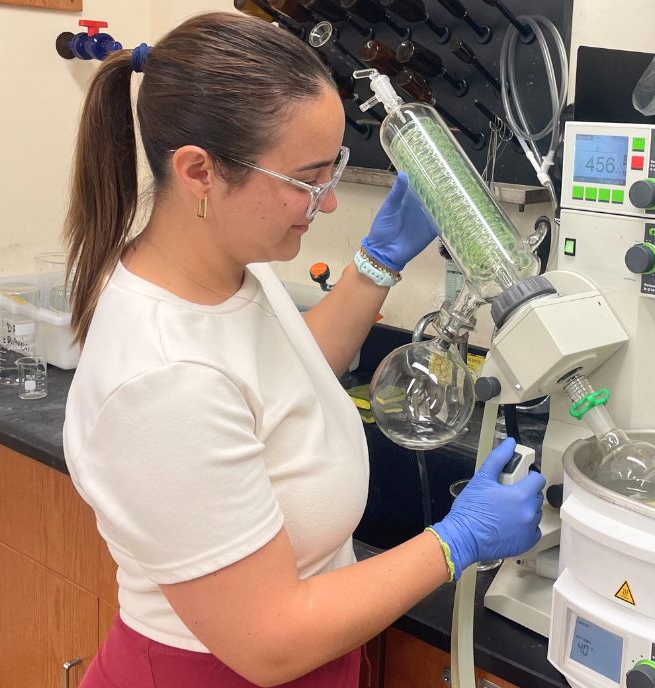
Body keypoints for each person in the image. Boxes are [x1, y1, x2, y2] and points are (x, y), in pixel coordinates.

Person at [61, 12, 546, 688]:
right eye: (308, 178)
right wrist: (454, 542)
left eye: (334, 167)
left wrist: (379, 262)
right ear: (200, 172)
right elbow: (271, 643)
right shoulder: (163, 380)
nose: (323, 202)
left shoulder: (227, 262)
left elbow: (292, 374)